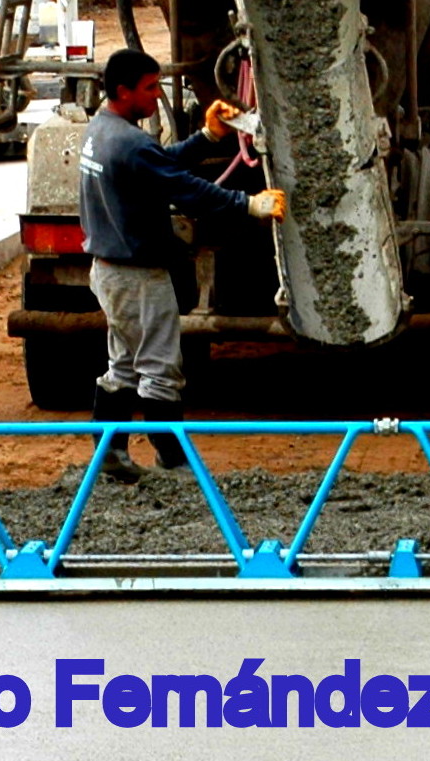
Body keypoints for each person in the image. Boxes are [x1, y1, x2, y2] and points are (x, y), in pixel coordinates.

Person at [79, 47, 285, 481]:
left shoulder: (102, 129)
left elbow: (158, 166)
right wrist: (248, 204)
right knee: (159, 369)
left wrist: (207, 138)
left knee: (124, 364)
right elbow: (185, 189)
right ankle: (172, 460)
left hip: (110, 270)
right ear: (123, 91)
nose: (157, 95)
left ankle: (109, 454)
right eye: (150, 88)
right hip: (137, 274)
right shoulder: (130, 143)